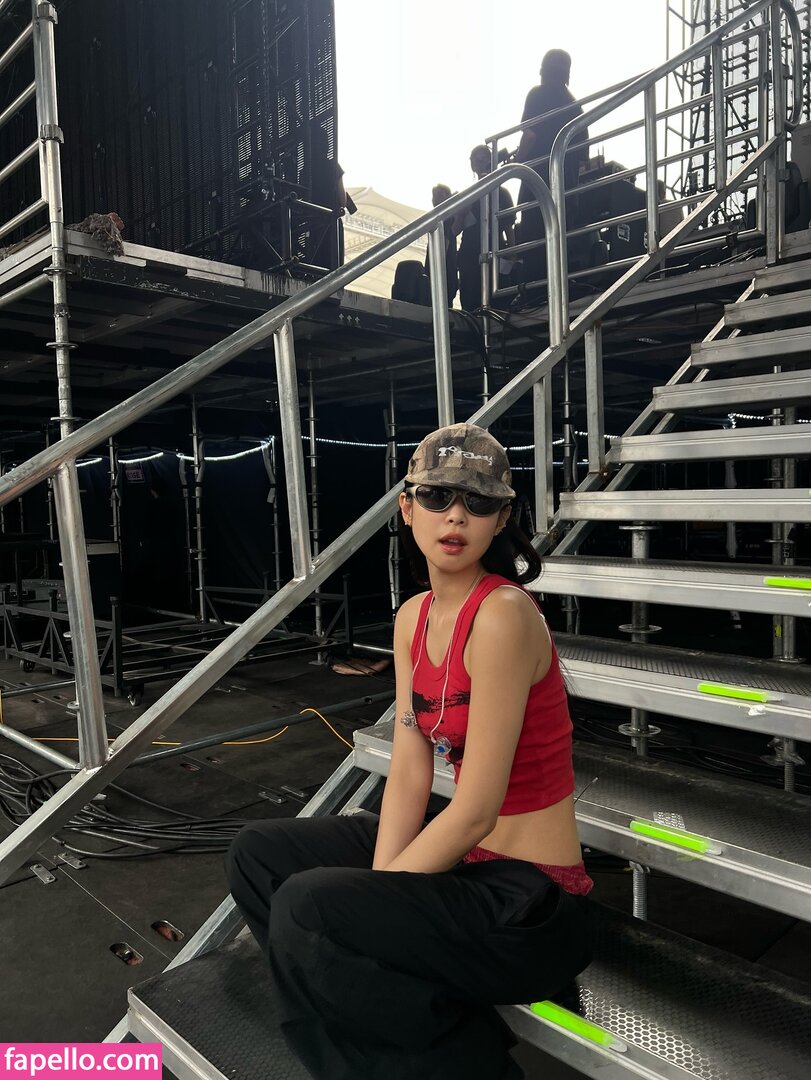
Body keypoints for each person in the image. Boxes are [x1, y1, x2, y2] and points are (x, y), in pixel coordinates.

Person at [226, 422, 594, 1080]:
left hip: (528, 905)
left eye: (479, 502)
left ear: (500, 519)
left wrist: (376, 898)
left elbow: (475, 811)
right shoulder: (412, 618)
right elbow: (408, 770)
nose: (456, 515)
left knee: (312, 908)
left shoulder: (503, 615)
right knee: (259, 855)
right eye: (437, 496)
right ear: (407, 507)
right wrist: (377, 900)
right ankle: (410, 1031)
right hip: (464, 872)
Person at [516, 49, 589, 284]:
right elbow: (583, 159)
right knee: (558, 244)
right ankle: (556, 290)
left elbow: (530, 135)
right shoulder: (575, 106)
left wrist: (517, 162)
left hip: (537, 182)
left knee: (533, 243)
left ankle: (534, 292)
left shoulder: (537, 95)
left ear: (543, 69)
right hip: (565, 190)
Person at [456, 145, 517, 312]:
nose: (481, 163)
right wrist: (461, 214)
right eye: (477, 160)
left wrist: (512, 255)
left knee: (499, 304)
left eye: (485, 159)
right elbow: (456, 229)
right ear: (472, 166)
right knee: (470, 304)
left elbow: (509, 227)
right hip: (470, 256)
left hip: (496, 253)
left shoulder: (502, 193)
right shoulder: (467, 195)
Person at [424, 182, 459, 306]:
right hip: (441, 273)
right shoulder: (440, 219)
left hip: (442, 274)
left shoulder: (445, 220)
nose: (435, 199)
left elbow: (443, 248)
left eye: (440, 195)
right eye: (434, 195)